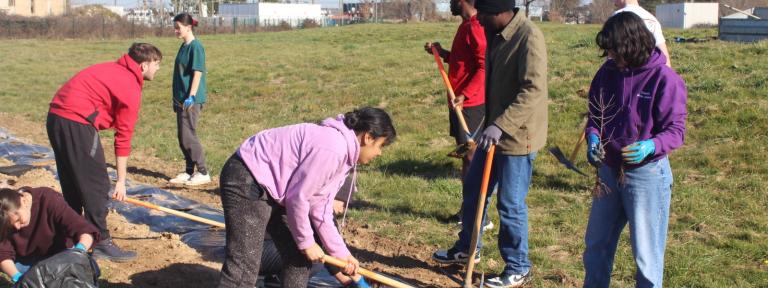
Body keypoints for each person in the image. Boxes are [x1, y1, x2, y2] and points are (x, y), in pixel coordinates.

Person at [431, 0, 548, 287]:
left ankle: (518, 266)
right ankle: (467, 249)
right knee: (473, 189)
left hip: (518, 137)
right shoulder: (496, 34)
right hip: (491, 132)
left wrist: (501, 125)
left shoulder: (528, 37)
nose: (478, 19)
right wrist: (489, 122)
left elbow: (532, 90)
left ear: (500, 12)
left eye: (483, 14)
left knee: (509, 204)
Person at [217, 107, 396, 288]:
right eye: (381, 146)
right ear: (368, 138)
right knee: (244, 267)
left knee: (298, 257)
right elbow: (298, 198)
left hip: (276, 190)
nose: (379, 153)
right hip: (248, 176)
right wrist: (306, 243)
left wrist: (342, 254)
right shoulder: (333, 148)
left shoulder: (343, 157)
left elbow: (321, 210)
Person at [583, 12, 687, 288]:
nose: (611, 57)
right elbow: (595, 115)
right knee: (596, 246)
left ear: (632, 45)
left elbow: (676, 131)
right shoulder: (607, 73)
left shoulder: (664, 79)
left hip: (647, 176)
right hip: (608, 172)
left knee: (646, 256)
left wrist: (651, 145)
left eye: (616, 51)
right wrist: (593, 138)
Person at [47, 43, 162, 262]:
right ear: (144, 65)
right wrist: (121, 181)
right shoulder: (129, 86)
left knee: (73, 184)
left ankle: (69, 236)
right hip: (76, 122)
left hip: (55, 118)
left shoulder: (112, 69)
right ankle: (100, 241)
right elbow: (123, 136)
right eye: (157, 64)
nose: (158, 69)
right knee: (97, 186)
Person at [423, 0, 488, 228]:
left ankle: (479, 215)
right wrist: (443, 54)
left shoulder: (476, 26)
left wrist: (466, 95)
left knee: (472, 158)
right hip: (460, 101)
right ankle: (468, 210)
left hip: (470, 104)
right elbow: (464, 62)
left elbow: (483, 65)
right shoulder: (466, 25)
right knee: (467, 157)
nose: (449, 3)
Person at [0, 187, 99, 284]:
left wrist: (78, 252)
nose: (17, 227)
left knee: (83, 271)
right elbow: (3, 253)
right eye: (11, 225)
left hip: (60, 257)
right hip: (26, 261)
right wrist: (18, 278)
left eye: (18, 220)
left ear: (24, 201)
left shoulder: (48, 199)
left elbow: (84, 230)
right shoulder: (3, 217)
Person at [168, 13, 211, 186]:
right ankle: (188, 171)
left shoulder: (196, 47)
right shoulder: (183, 46)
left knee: (188, 136)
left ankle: (203, 171)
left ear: (188, 27)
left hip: (191, 99)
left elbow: (197, 73)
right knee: (182, 136)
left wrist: (191, 95)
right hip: (180, 99)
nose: (175, 30)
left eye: (178, 27)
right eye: (175, 27)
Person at [612, 0, 671, 67]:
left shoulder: (616, 18)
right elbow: (664, 56)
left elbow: (611, 54)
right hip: (648, 71)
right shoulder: (651, 19)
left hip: (624, 72)